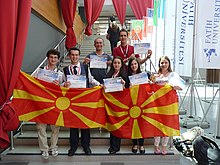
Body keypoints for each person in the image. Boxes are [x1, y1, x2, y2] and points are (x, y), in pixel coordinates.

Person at [63, 47, 101, 156]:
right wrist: (64, 85)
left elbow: (91, 80)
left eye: (76, 55)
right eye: (72, 55)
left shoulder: (85, 67)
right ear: (69, 56)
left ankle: (86, 146)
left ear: (79, 56)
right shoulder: (65, 70)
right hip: (72, 101)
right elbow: (62, 84)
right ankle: (73, 147)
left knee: (85, 124)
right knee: (73, 125)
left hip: (84, 100)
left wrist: (99, 85)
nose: (74, 57)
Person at [33, 49, 63, 159]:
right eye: (51, 57)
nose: (53, 59)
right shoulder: (39, 71)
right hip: (40, 103)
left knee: (55, 128)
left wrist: (58, 85)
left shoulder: (60, 74)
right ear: (47, 58)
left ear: (58, 60)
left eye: (55, 58)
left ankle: (54, 147)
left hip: (54, 104)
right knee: (40, 127)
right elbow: (31, 84)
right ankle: (44, 149)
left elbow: (63, 89)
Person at [151, 55, 182, 155]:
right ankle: (156, 145)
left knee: (168, 125)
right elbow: (150, 88)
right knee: (157, 124)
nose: (164, 64)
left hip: (169, 104)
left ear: (169, 64)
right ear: (159, 64)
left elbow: (181, 86)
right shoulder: (155, 75)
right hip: (157, 104)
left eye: (166, 62)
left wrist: (174, 87)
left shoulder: (173, 75)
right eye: (162, 62)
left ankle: (164, 145)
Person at [105, 56, 129, 154]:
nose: (117, 65)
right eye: (115, 63)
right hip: (110, 103)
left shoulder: (124, 75)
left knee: (117, 125)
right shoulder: (109, 74)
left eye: (119, 63)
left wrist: (123, 85)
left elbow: (127, 90)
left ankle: (116, 146)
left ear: (121, 64)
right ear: (112, 64)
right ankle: (112, 145)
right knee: (111, 124)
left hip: (120, 104)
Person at [127, 58, 145, 154]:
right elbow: (124, 90)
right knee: (133, 124)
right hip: (131, 104)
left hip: (142, 103)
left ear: (138, 65)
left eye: (135, 64)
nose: (134, 66)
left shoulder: (143, 75)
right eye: (132, 64)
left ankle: (141, 144)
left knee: (141, 124)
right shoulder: (127, 76)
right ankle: (134, 144)